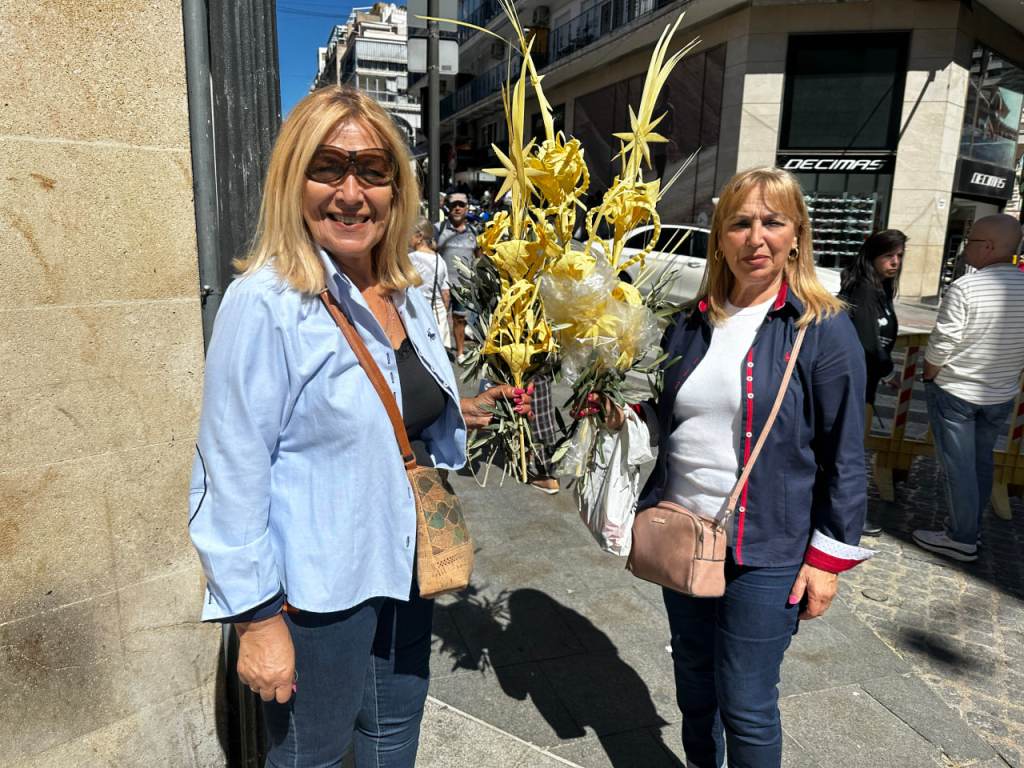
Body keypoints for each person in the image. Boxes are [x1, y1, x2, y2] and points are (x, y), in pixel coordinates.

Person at [187, 85, 530, 768]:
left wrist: (454, 409)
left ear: (396, 188)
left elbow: (380, 402)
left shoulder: (403, 289)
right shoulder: (267, 302)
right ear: (294, 180)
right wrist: (257, 621)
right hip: (319, 594)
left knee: (393, 734)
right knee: (310, 756)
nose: (351, 191)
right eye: (328, 167)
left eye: (372, 170)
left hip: (402, 564)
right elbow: (229, 470)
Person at [584, 167, 872, 768]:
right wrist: (617, 410)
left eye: (772, 222)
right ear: (720, 237)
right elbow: (669, 415)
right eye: (740, 223)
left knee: (745, 701)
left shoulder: (820, 329)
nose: (756, 237)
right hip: (683, 531)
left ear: (797, 234)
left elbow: (845, 455)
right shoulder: (690, 323)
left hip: (768, 546)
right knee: (693, 685)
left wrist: (828, 562)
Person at [913, 214, 1024, 563]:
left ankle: (961, 537)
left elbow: (943, 343)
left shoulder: (966, 287)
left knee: (958, 467)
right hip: (1000, 393)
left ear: (989, 247)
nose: (964, 250)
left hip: (957, 391)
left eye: (971, 242)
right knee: (980, 462)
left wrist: (929, 374)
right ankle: (970, 528)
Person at [839, 229, 906, 536]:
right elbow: (867, 340)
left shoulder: (881, 289)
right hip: (852, 383)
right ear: (872, 257)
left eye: (899, 257)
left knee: (851, 451)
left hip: (865, 384)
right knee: (849, 454)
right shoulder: (864, 290)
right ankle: (847, 517)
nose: (895, 262)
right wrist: (888, 370)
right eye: (888, 256)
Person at [436, 190, 480, 362]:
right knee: (439, 320)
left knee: (459, 319)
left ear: (467, 208)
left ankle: (460, 352)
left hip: (463, 285)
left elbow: (479, 257)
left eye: (461, 205)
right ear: (449, 207)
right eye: (454, 205)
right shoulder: (439, 229)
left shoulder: (473, 232)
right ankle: (438, 353)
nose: (457, 209)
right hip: (441, 286)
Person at [408, 217, 452, 351]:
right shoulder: (440, 260)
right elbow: (446, 294)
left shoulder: (410, 260)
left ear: (419, 236)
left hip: (415, 314)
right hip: (438, 315)